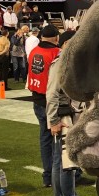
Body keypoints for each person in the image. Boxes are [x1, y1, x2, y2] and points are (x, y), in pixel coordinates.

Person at [45, 31, 95, 196]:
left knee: (60, 161)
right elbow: (52, 93)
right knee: (68, 162)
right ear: (67, 43)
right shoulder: (61, 62)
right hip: (65, 116)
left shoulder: (64, 61)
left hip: (66, 114)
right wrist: (54, 119)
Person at [27, 25, 60, 187]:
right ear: (56, 38)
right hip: (51, 101)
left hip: (37, 99)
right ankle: (56, 177)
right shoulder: (56, 53)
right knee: (58, 141)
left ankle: (47, 177)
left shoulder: (34, 51)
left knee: (45, 138)